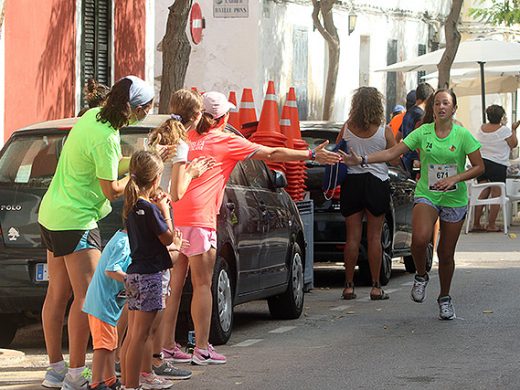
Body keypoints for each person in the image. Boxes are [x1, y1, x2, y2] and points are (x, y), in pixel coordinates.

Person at [170, 91, 340, 365]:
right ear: (222, 118)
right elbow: (271, 152)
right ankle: (201, 347)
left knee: (174, 286)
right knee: (203, 284)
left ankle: (167, 345)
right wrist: (310, 153)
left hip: (177, 217)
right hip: (201, 219)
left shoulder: (185, 137)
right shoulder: (225, 139)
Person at [38, 75, 156, 390]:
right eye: (146, 108)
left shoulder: (91, 116)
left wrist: (134, 160)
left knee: (56, 295)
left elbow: (105, 164)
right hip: (77, 219)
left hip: (51, 214)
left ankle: (55, 370)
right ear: (135, 108)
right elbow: (111, 189)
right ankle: (77, 375)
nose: (146, 113)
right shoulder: (107, 136)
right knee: (87, 298)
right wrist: (136, 174)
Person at [340, 89, 484, 320]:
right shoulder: (422, 132)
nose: (441, 107)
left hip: (454, 198)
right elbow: (392, 152)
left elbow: (479, 166)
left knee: (445, 253)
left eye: (446, 103)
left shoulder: (462, 135)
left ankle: (444, 297)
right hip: (428, 194)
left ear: (454, 108)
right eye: (437, 103)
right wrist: (363, 159)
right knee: (419, 239)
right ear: (432, 108)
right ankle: (421, 275)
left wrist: (454, 178)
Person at [121, 150, 183, 390]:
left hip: (135, 272)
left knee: (133, 334)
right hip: (150, 275)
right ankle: (132, 385)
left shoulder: (131, 205)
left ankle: (129, 383)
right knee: (141, 336)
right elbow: (167, 239)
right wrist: (167, 215)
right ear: (156, 179)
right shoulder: (149, 209)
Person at [338, 87, 400, 301]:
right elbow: (394, 159)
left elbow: (339, 152)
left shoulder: (347, 128)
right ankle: (375, 286)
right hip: (376, 182)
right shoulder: (385, 131)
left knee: (352, 237)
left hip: (352, 183)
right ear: (377, 105)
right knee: (374, 237)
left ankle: (348, 286)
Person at [82, 230, 130, 390]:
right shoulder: (124, 242)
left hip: (108, 303)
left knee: (110, 343)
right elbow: (111, 270)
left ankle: (110, 379)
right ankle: (96, 383)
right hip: (102, 303)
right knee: (103, 345)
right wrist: (133, 281)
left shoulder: (124, 238)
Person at [472, 105, 519, 232]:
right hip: (497, 164)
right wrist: (513, 129)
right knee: (497, 193)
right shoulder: (504, 130)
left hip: (481, 163)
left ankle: (476, 223)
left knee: (483, 191)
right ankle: (491, 224)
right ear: (501, 116)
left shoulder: (481, 128)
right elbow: (513, 144)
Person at [397, 83, 435, 179]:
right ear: (429, 99)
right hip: (417, 162)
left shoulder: (407, 113)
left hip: (406, 159)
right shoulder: (421, 116)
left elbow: (398, 135)